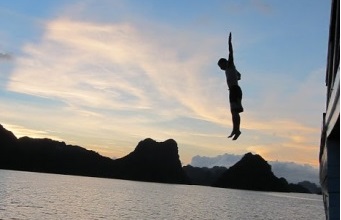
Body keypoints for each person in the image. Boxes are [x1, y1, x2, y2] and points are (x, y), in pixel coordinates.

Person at [217, 32, 243, 140]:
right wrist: (237, 76)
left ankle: (237, 130)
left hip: (235, 90)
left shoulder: (230, 64)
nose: (220, 68)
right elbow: (239, 75)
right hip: (233, 90)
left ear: (224, 62)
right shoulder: (230, 69)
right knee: (233, 111)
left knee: (235, 111)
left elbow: (231, 52)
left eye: (220, 65)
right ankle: (235, 129)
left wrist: (229, 42)